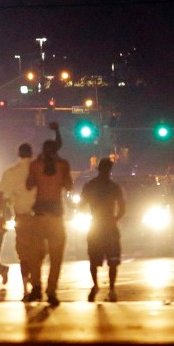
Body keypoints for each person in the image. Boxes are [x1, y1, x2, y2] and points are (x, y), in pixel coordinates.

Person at [26, 128, 73, 307]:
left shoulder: (35, 166)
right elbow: (68, 186)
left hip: (38, 215)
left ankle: (36, 286)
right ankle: (51, 291)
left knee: (35, 255)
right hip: (56, 215)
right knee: (56, 257)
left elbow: (29, 185)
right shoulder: (63, 166)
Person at [80, 158, 126, 302]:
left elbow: (81, 206)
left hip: (97, 225)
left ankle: (97, 286)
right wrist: (115, 218)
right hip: (108, 225)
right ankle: (111, 289)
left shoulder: (90, 186)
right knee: (111, 260)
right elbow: (122, 207)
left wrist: (92, 214)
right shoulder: (113, 187)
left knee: (95, 260)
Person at [0, 142, 37, 299]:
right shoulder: (39, 169)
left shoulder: (11, 173)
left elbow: (0, 194)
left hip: (21, 217)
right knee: (37, 252)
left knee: (23, 254)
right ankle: (37, 284)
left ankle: (26, 288)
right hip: (40, 217)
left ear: (18, 154)